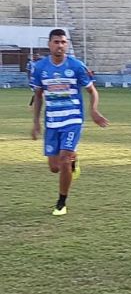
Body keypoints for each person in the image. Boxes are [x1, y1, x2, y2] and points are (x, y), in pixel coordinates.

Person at [30, 29, 109, 216]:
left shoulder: (76, 66)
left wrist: (94, 110)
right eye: (56, 42)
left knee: (64, 160)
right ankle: (74, 160)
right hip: (52, 122)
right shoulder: (40, 68)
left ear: (67, 45)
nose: (60, 45)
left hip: (72, 120)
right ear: (49, 44)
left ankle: (61, 202)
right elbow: (38, 96)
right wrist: (35, 122)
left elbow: (92, 91)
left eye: (63, 42)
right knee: (54, 167)